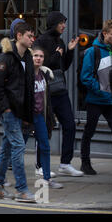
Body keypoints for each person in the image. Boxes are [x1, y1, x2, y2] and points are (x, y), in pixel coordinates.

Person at [0, 22, 36, 203]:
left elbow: (28, 89)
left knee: (8, 148)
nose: (32, 39)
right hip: (8, 110)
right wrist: (6, 109)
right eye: (29, 36)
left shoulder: (28, 59)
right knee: (18, 146)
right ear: (19, 36)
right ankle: (22, 190)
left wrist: (27, 116)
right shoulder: (6, 58)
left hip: (21, 110)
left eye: (33, 37)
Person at [34, 11, 83, 177]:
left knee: (69, 125)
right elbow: (41, 63)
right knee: (45, 128)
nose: (64, 25)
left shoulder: (60, 41)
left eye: (64, 22)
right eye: (61, 22)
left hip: (60, 90)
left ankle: (65, 163)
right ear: (53, 23)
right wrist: (57, 55)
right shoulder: (41, 41)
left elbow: (62, 67)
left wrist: (68, 51)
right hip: (45, 91)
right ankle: (40, 165)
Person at [80, 19, 112, 182]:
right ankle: (85, 162)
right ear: (105, 34)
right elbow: (86, 78)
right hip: (95, 100)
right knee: (89, 130)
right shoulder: (92, 51)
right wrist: (103, 93)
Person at [31, 46, 64, 189]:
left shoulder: (44, 75)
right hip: (27, 117)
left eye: (41, 56)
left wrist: (49, 115)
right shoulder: (26, 75)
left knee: (45, 146)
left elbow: (45, 99)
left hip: (39, 116)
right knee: (15, 148)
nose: (38, 58)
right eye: (35, 56)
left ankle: (47, 179)